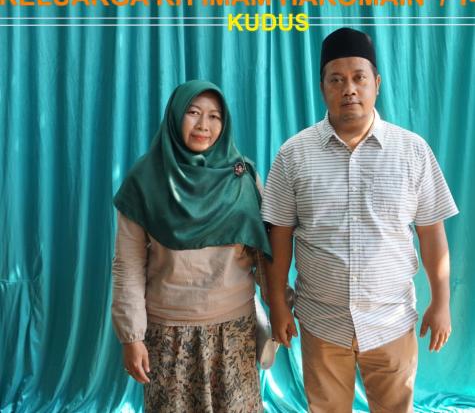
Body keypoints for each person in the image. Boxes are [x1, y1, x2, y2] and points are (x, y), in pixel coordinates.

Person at [261, 28, 459, 413]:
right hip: (322, 322)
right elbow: (279, 236)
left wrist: (441, 302)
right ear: (322, 88)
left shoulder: (412, 151)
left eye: (358, 78)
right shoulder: (293, 155)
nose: (348, 89)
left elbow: (432, 233)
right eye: (336, 80)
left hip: (391, 320)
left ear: (376, 84)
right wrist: (278, 303)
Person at [111, 80, 270, 413]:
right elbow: (128, 265)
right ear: (175, 116)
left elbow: (263, 254)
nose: (203, 125)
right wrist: (131, 337)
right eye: (193, 113)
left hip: (234, 330)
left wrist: (279, 305)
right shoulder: (144, 181)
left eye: (214, 116)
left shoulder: (242, 176)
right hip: (168, 334)